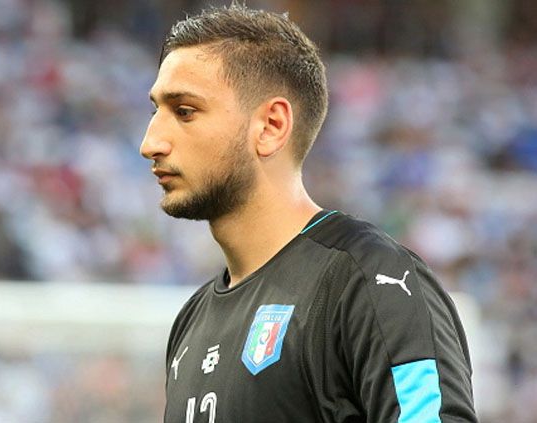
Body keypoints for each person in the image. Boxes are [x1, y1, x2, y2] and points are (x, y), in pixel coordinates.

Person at [139, 4, 477, 423]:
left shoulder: (370, 280)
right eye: (156, 111)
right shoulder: (191, 323)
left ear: (271, 126)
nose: (150, 142)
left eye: (184, 111)